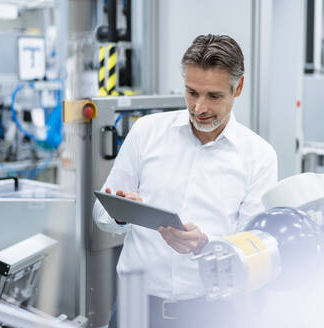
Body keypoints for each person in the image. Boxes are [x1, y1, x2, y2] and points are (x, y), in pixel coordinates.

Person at [93, 34, 277, 328]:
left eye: (214, 96)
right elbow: (101, 212)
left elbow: (253, 248)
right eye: (192, 92)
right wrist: (124, 212)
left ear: (238, 87)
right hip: (134, 308)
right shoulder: (146, 133)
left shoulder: (258, 156)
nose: (199, 108)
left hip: (210, 314)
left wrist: (207, 244)